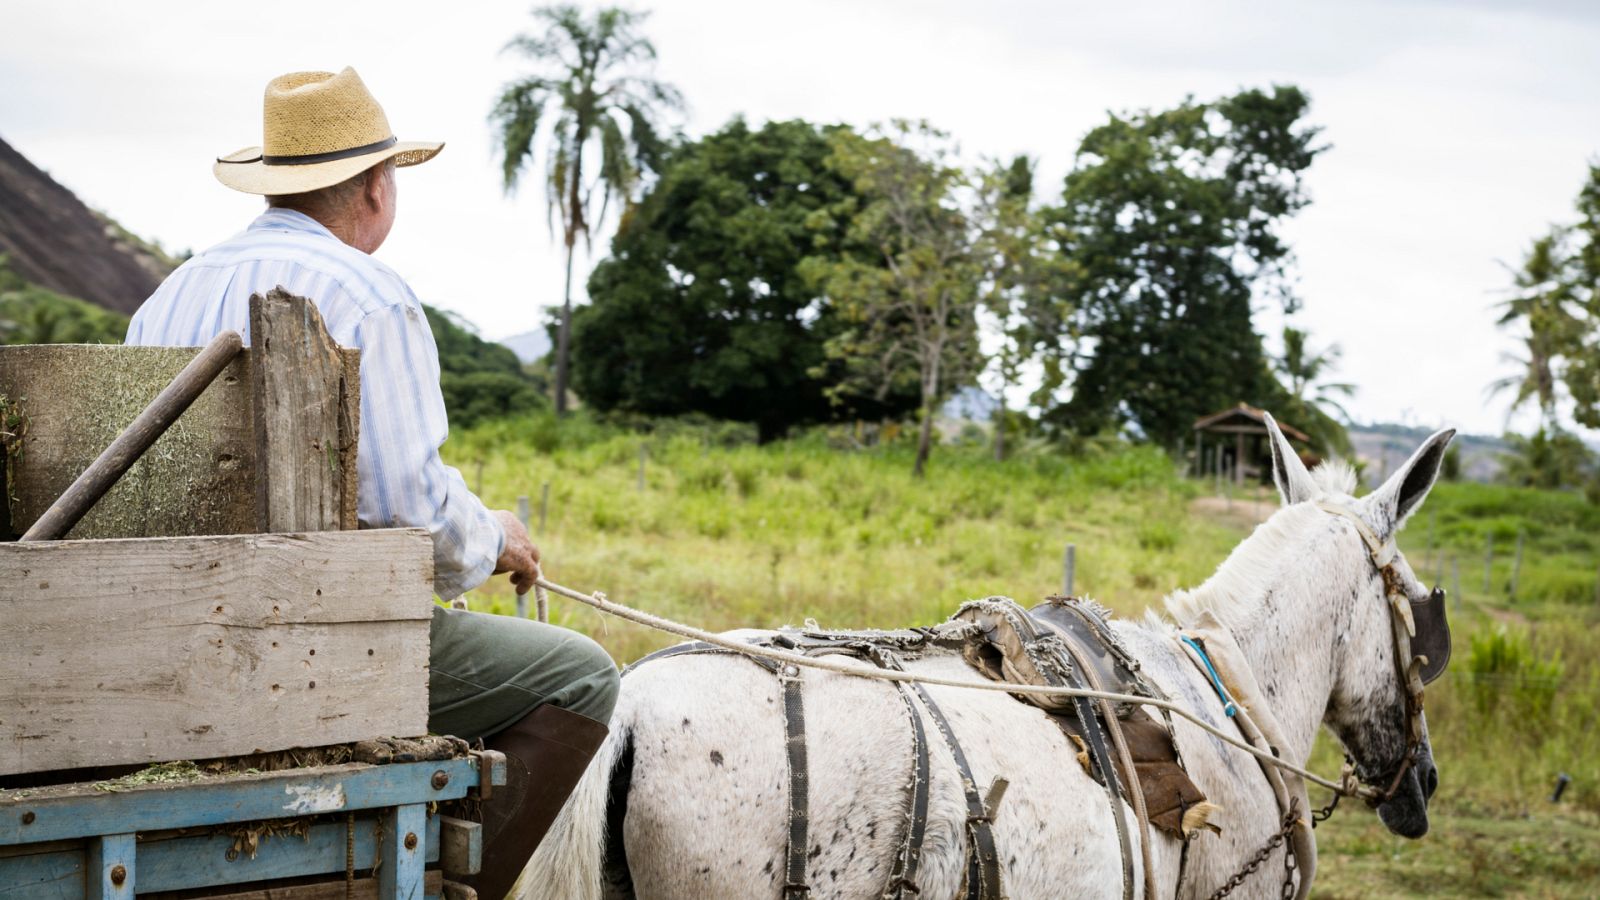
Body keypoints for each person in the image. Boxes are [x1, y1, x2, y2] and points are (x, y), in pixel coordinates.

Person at [126, 67, 618, 899]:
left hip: (173, 633)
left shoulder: (166, 297)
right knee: (583, 675)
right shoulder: (369, 296)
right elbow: (411, 513)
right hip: (312, 640)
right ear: (376, 188)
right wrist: (497, 539)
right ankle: (451, 884)